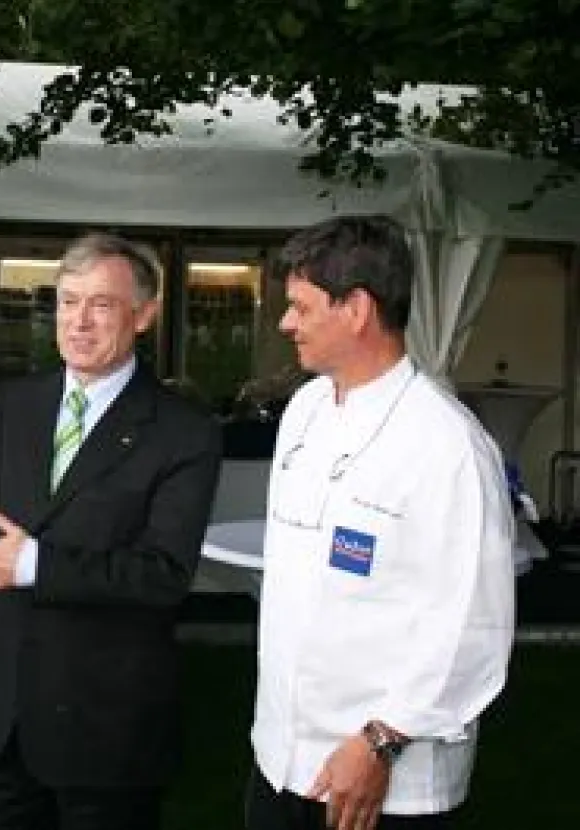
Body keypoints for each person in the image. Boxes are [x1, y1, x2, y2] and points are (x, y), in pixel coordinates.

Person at [0, 232, 223, 830]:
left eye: (101, 304)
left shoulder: (183, 431)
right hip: (5, 720)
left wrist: (35, 565)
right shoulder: (17, 405)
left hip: (106, 736)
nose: (79, 321)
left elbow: (164, 575)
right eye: (68, 301)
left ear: (144, 315)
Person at [247, 215, 516, 830]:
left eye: (301, 307)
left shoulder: (448, 445)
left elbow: (474, 627)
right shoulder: (306, 409)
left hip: (383, 782)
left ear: (357, 309)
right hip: (280, 758)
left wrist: (380, 742)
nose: (287, 323)